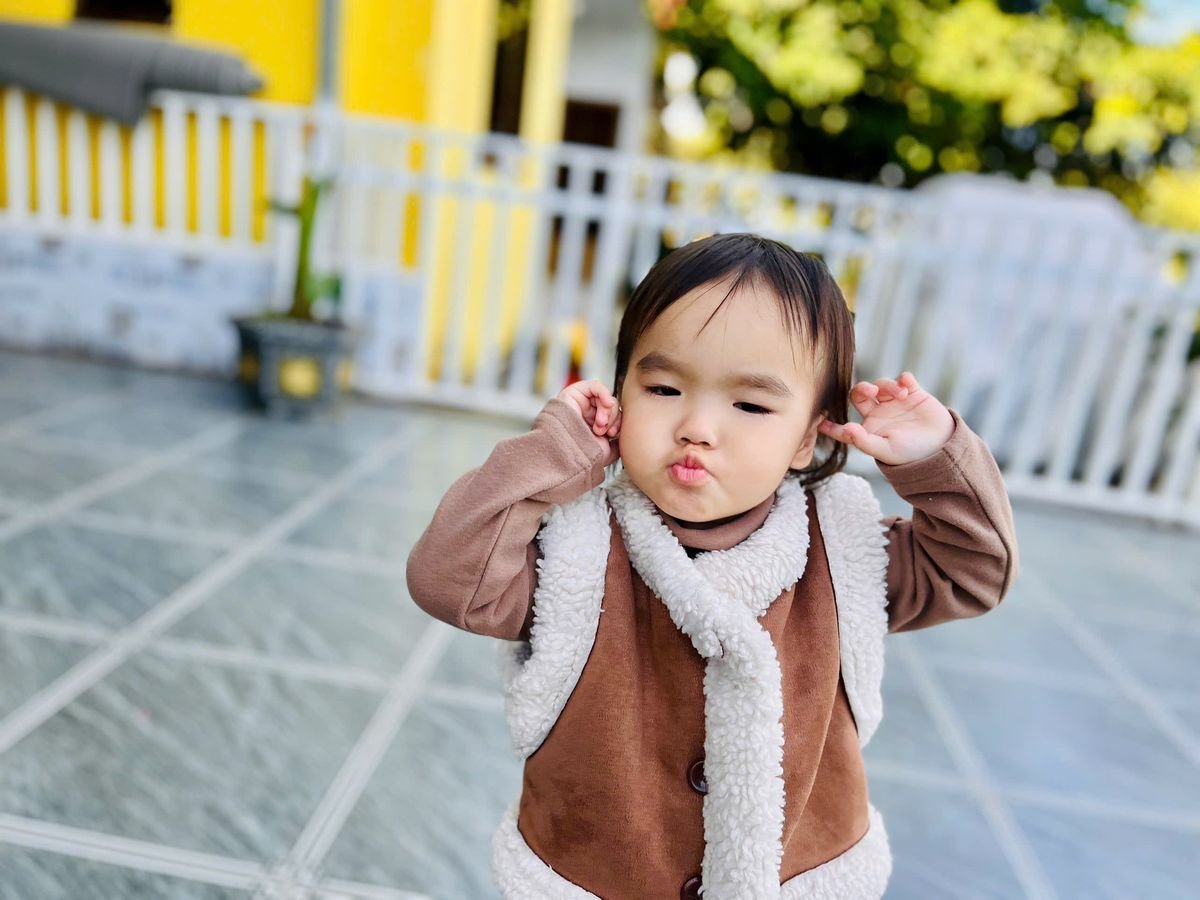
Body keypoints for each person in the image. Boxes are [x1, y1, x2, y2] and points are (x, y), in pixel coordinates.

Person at [406, 233, 1018, 899]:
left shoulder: (844, 552)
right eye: (664, 388)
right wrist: (551, 456)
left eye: (750, 405)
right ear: (620, 393)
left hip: (799, 876)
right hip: (594, 879)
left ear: (806, 438)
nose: (697, 426)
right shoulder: (576, 549)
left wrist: (938, 459)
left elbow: (973, 572)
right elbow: (449, 580)